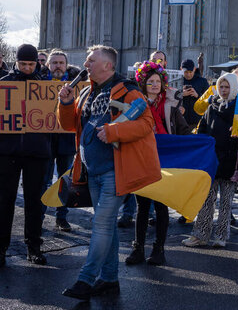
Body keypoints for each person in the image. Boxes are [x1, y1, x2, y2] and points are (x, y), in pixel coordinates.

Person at [58, 45, 161, 300]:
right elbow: (68, 125)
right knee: (109, 229)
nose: (86, 64)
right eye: (86, 60)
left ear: (108, 65)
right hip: (91, 170)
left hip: (117, 171)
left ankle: (86, 279)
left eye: (91, 60)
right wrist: (66, 102)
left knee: (101, 224)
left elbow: (147, 123)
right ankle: (110, 279)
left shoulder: (128, 91)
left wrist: (115, 132)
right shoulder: (86, 93)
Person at [125, 61, 192, 266]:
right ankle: (138, 249)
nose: (155, 85)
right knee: (142, 206)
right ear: (143, 83)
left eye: (158, 81)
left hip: (165, 160)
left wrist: (194, 143)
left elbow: (183, 130)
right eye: (150, 81)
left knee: (161, 206)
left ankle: (159, 250)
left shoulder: (171, 105)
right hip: (142, 158)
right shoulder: (136, 105)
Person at [0, 44, 52, 267]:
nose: (28, 68)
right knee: (4, 202)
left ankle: (34, 247)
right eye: (23, 64)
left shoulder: (46, 86)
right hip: (7, 152)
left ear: (37, 63)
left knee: (34, 201)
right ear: (16, 62)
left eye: (31, 64)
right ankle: (1, 249)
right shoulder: (3, 85)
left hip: (37, 152)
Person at [182, 73, 238, 248]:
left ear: (234, 88)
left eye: (227, 87)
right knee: (206, 200)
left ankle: (221, 236)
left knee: (226, 203)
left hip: (231, 160)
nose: (223, 90)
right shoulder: (211, 106)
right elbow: (203, 130)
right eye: (221, 87)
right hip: (212, 159)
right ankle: (201, 234)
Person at [41, 50, 84, 232]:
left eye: (61, 62)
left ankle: (61, 218)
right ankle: (40, 216)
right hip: (45, 140)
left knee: (64, 181)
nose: (58, 66)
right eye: (54, 62)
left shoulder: (79, 84)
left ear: (66, 65)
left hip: (66, 141)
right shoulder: (39, 82)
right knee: (43, 181)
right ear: (48, 65)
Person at [180, 59, 209, 127]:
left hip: (197, 121)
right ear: (181, 69)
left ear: (194, 69)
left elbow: (209, 100)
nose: (188, 74)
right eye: (186, 72)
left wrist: (197, 95)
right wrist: (181, 94)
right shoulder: (176, 81)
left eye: (190, 71)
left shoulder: (202, 81)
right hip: (180, 120)